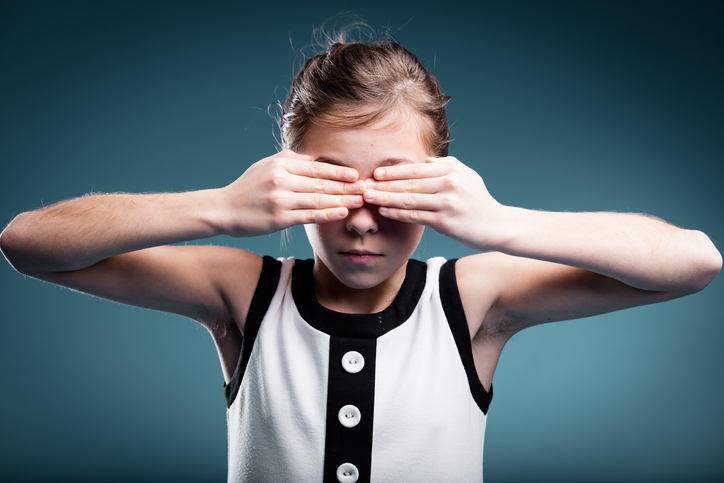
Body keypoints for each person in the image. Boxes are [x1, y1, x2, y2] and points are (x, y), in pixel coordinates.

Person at [1, 27, 721, 483]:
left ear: (439, 181)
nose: (363, 221)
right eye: (332, 182)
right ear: (287, 176)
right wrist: (220, 206)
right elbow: (26, 244)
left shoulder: (470, 300)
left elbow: (694, 262)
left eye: (397, 186)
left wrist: (500, 222)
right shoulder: (243, 291)